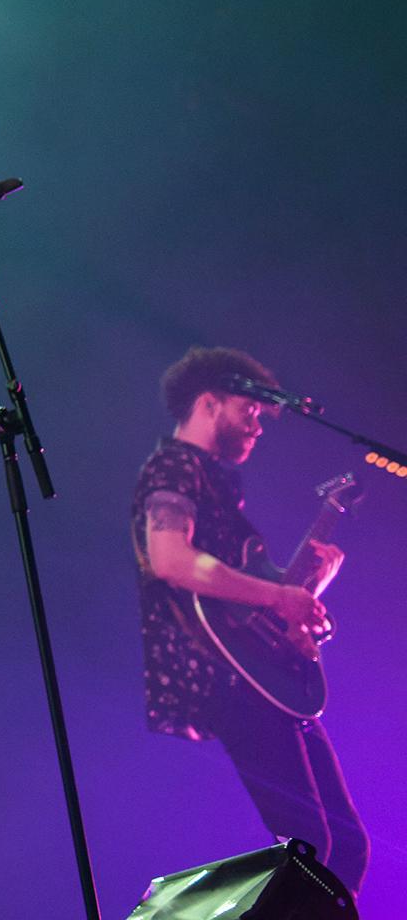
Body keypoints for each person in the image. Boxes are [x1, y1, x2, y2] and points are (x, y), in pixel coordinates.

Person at [132, 346, 367, 891]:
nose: (258, 426)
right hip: (228, 681)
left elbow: (245, 596)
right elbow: (171, 560)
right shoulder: (173, 467)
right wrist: (278, 598)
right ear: (210, 404)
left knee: (345, 844)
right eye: (251, 411)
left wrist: (304, 593)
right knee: (311, 845)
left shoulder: (218, 484)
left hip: (261, 677)